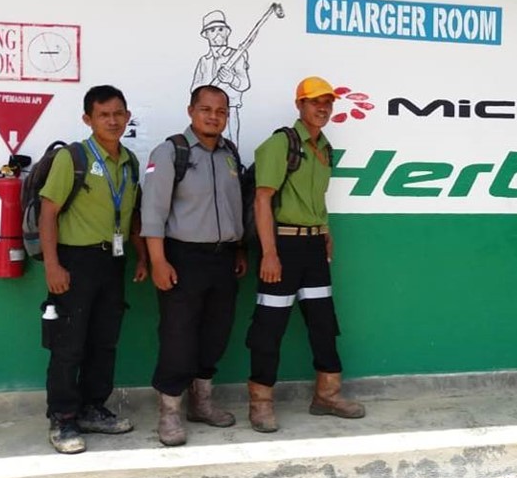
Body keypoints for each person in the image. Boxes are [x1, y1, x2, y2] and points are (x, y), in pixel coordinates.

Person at [244, 76, 365, 433]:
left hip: (313, 248)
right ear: (299, 105)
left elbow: (317, 198)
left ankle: (327, 396)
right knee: (269, 327)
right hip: (282, 247)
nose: (322, 108)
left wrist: (325, 232)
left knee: (323, 323)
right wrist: (269, 253)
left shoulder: (324, 148)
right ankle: (260, 403)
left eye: (327, 102)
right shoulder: (281, 144)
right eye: (315, 102)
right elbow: (262, 199)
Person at [38, 85, 148, 454]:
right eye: (103, 115)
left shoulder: (130, 162)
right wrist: (53, 265)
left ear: (127, 116)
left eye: (118, 114)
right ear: (88, 119)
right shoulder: (73, 158)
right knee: (69, 344)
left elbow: (132, 217)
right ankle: (63, 418)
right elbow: (48, 213)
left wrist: (142, 257)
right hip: (75, 261)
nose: (112, 121)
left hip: (113, 262)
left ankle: (92, 408)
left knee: (104, 341)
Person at [140, 85, 248, 446]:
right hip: (182, 258)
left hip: (223, 258)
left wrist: (240, 250)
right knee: (178, 336)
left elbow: (235, 208)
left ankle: (201, 404)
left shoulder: (230, 154)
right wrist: (158, 261)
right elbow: (152, 213)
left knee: (216, 332)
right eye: (206, 109)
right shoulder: (171, 152)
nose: (213, 116)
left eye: (220, 111)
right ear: (191, 111)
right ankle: (169, 411)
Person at [192, 10, 250, 143]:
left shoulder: (237, 56)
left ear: (227, 32)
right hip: (205, 112)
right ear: (206, 35)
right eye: (212, 30)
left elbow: (244, 83)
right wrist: (208, 90)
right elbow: (194, 88)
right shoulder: (204, 61)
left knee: (230, 146)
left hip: (229, 111)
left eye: (220, 29)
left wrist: (231, 79)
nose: (217, 34)